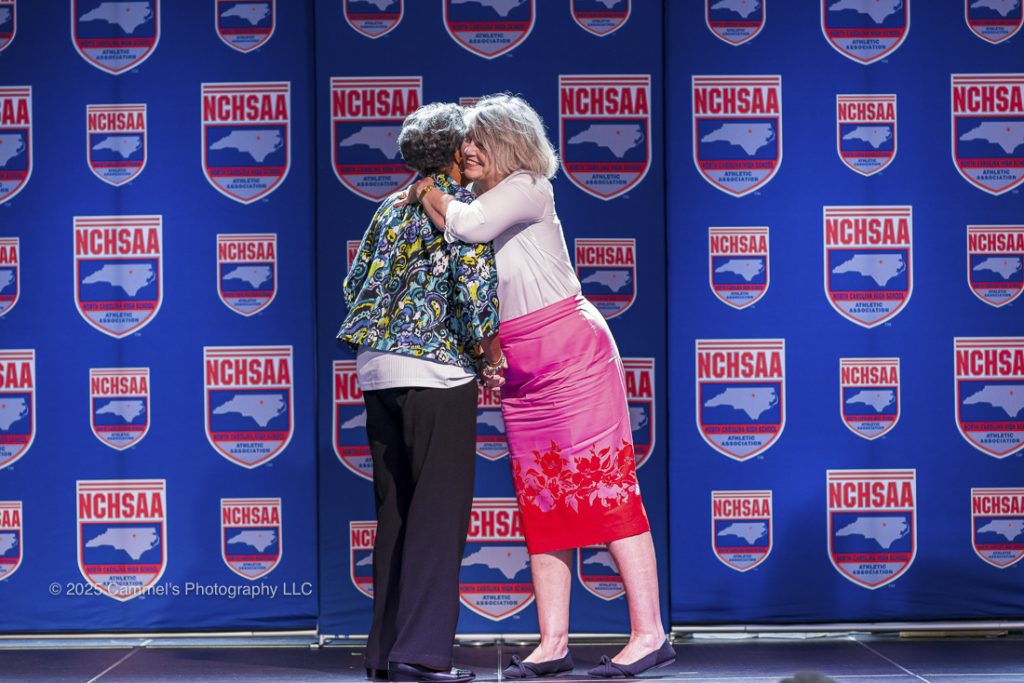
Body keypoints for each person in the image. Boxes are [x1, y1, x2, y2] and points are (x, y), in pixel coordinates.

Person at [407, 94, 673, 679]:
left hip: (572, 361)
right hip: (523, 374)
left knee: (605, 490)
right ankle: (553, 643)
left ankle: (650, 634)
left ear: (509, 143)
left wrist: (426, 188)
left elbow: (467, 227)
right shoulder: (477, 197)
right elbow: (463, 245)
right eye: (464, 141)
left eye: (479, 140)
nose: (467, 150)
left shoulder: (527, 186)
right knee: (543, 502)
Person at [339, 102, 504, 683]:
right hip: (437, 373)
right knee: (438, 515)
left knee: (397, 514)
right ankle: (425, 653)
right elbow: (475, 290)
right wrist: (491, 359)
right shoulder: (460, 209)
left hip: (376, 371)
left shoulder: (389, 206)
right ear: (457, 151)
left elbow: (353, 285)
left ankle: (384, 651)